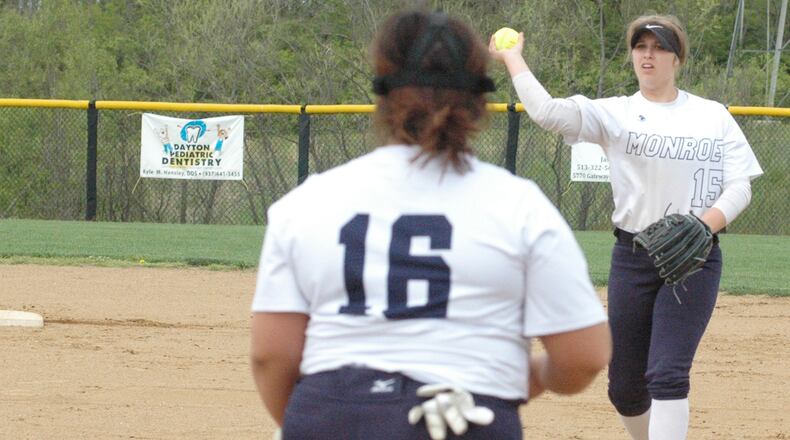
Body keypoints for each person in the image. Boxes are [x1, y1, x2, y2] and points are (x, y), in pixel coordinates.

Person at [250, 9, 611, 440]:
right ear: (481, 99)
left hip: (332, 413)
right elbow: (582, 357)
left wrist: (322, 421)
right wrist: (511, 380)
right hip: (466, 418)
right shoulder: (519, 206)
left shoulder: (308, 201)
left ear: (382, 91)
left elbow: (270, 356)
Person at [489, 13, 763, 440]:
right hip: (633, 256)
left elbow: (739, 185)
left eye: (660, 47)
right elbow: (545, 113)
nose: (648, 55)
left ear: (678, 58)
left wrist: (704, 225)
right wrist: (512, 59)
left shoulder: (712, 116)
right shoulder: (615, 113)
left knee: (668, 373)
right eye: (641, 47)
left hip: (694, 256)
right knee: (625, 387)